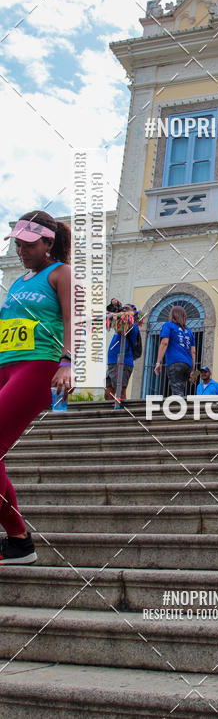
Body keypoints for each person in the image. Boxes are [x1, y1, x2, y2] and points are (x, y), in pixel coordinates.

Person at [0, 211, 72, 564]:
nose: (21, 250)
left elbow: (74, 319)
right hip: (4, 366)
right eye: (18, 243)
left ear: (47, 243)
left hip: (37, 365)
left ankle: (19, 539)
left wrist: (67, 362)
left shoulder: (60, 273)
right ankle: (17, 541)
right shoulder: (17, 283)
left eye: (29, 244)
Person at [154, 305, 196, 397]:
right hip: (187, 365)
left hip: (175, 363)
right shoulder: (189, 332)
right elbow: (193, 352)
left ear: (172, 315)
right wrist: (193, 370)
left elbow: (164, 343)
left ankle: (178, 409)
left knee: (177, 393)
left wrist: (158, 362)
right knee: (180, 390)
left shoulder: (168, 325)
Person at [105, 304, 140, 403]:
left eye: (126, 309)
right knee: (108, 393)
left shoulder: (133, 325)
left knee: (121, 391)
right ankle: (110, 415)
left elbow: (120, 330)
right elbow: (109, 320)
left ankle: (123, 414)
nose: (123, 310)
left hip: (123, 362)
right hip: (112, 362)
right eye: (122, 308)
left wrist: (120, 315)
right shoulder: (119, 322)